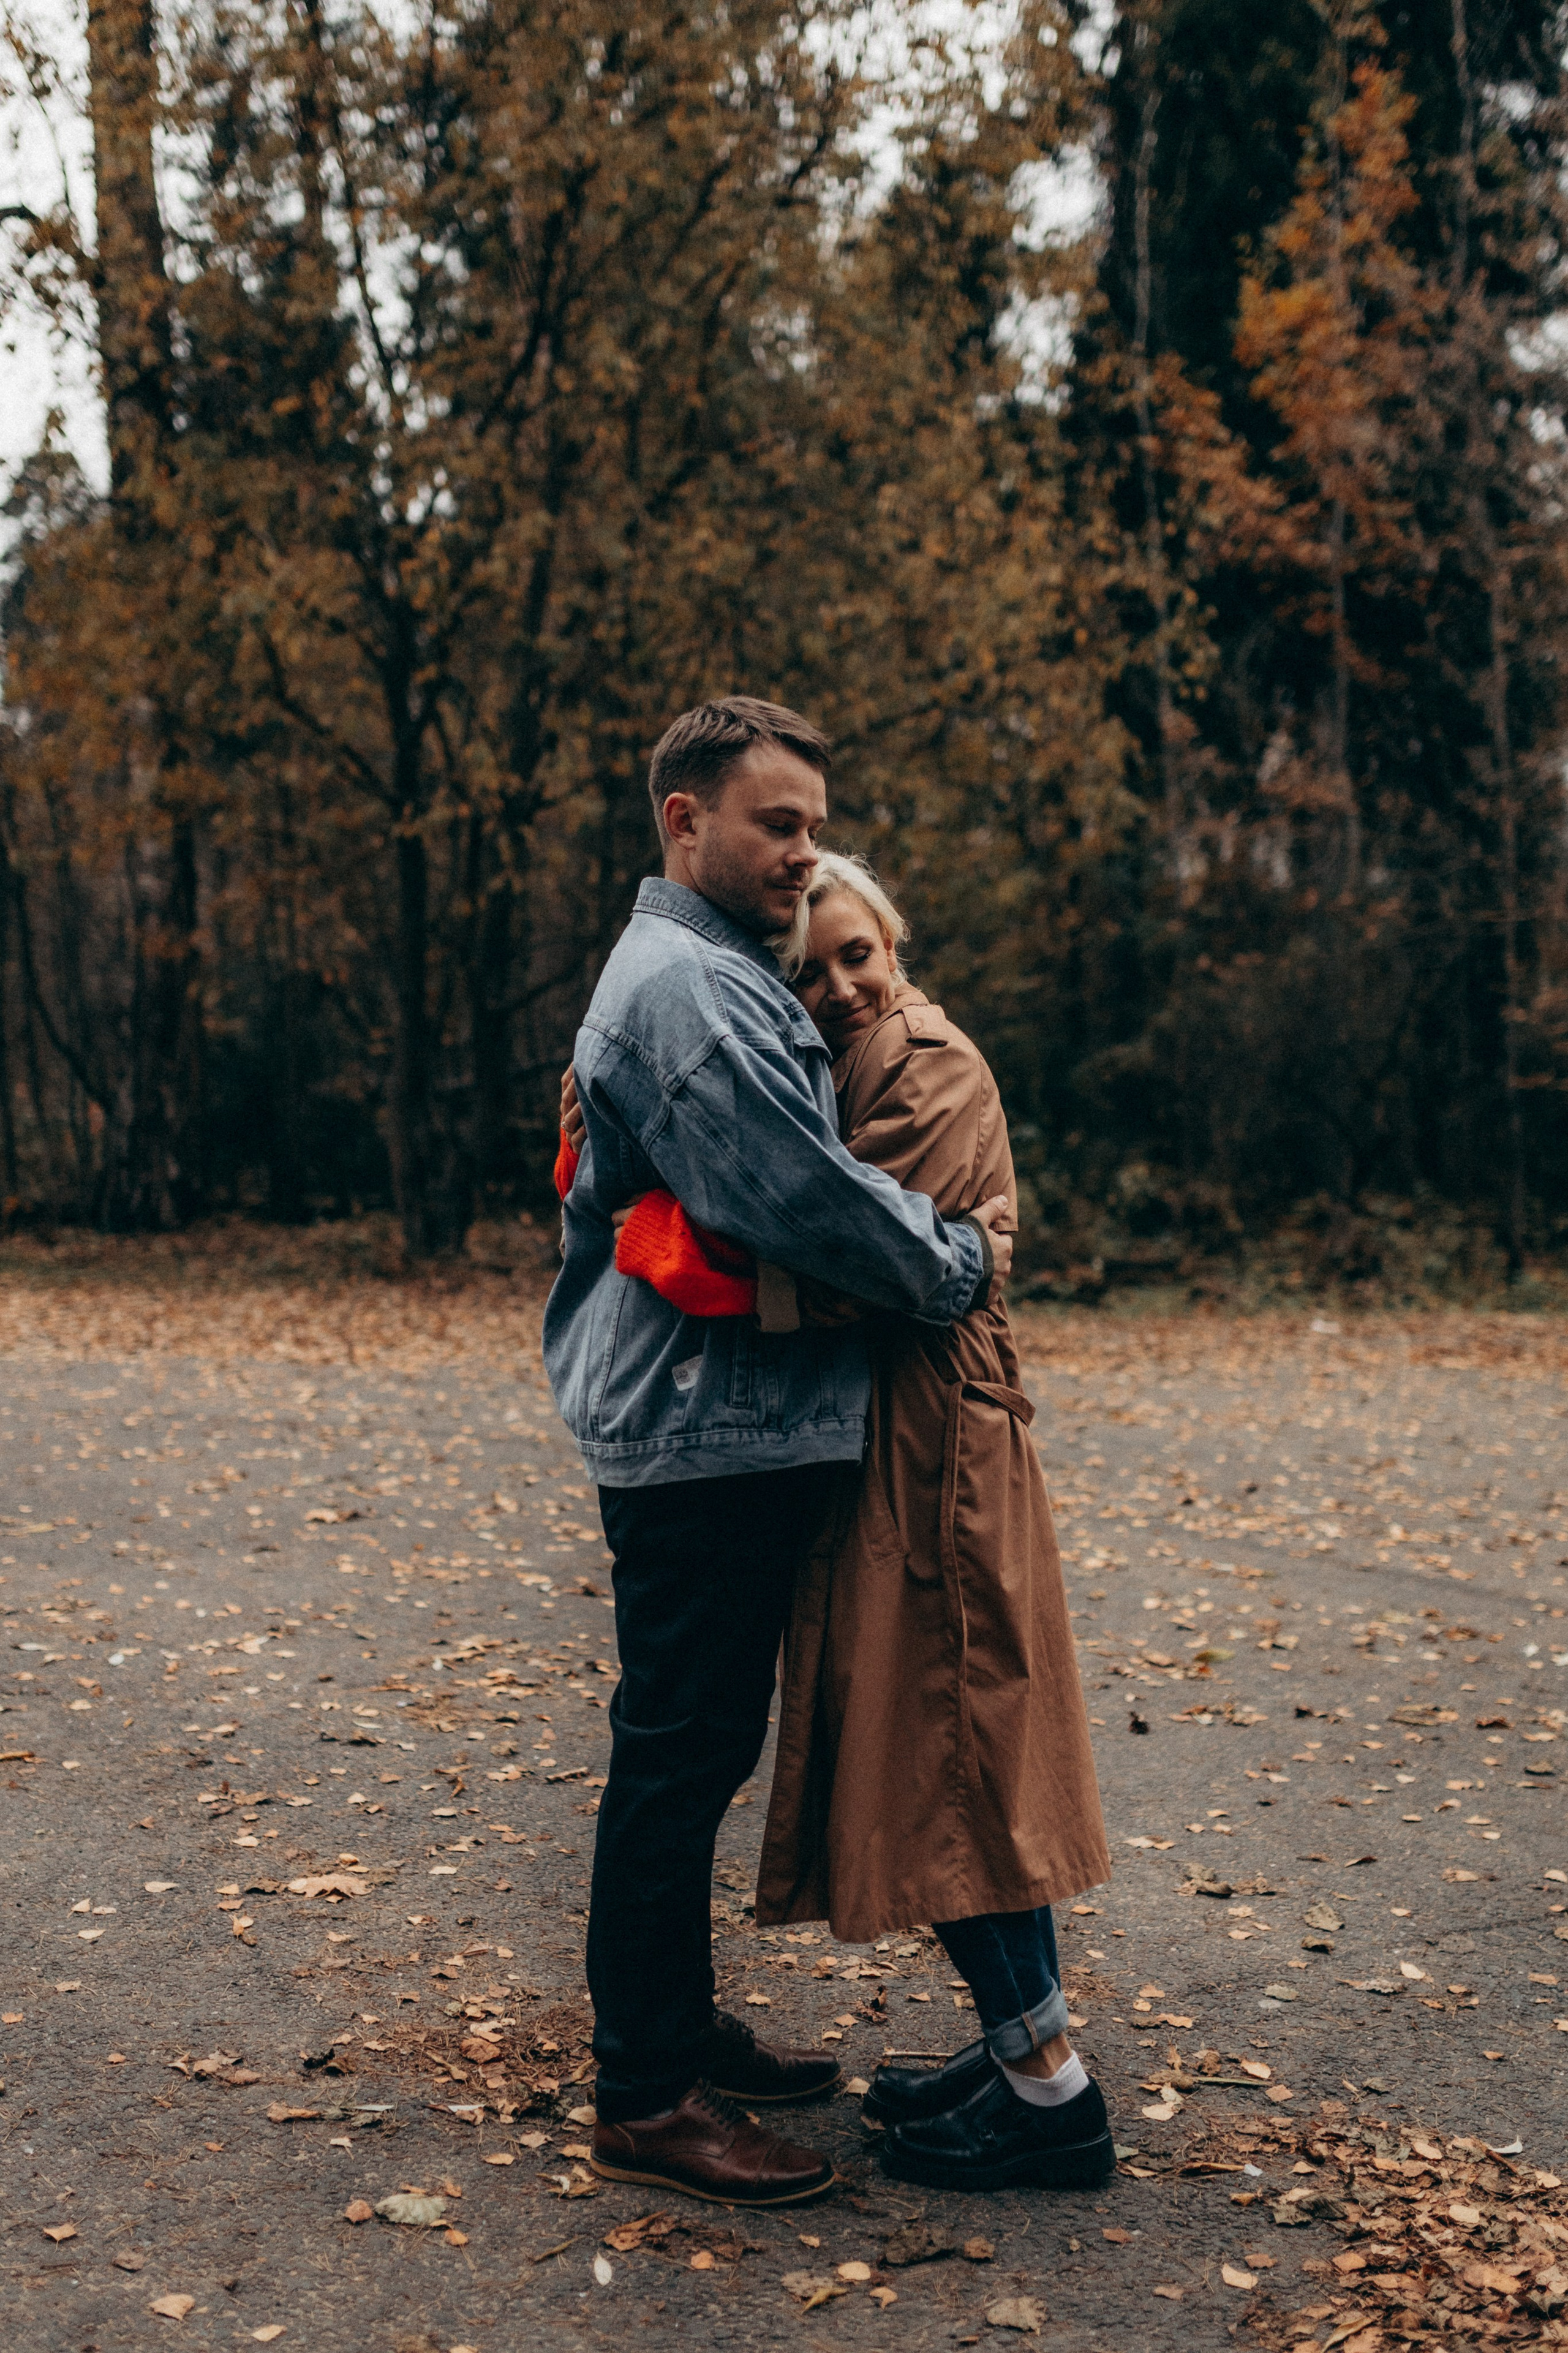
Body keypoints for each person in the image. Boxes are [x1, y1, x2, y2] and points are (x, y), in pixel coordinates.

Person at [541, 698, 1014, 2210]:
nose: (801, 849)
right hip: (699, 1428)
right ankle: (647, 2093)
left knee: (697, 1743)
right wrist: (951, 1261)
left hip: (716, 1419)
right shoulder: (684, 985)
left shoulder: (715, 973)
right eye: (775, 821)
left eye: (812, 822)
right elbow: (798, 1196)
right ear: (685, 819)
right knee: (678, 1752)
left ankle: (676, 2034)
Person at [582, 853, 1114, 2194]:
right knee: (946, 1757)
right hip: (893, 1453)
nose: (834, 988)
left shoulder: (921, 1064)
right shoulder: (836, 1062)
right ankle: (1018, 2055)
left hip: (937, 1454)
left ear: (897, 942)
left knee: (953, 1763)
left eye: (855, 955)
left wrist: (665, 1215)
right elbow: (783, 1177)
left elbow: (830, 1246)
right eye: (806, 972)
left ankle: (1046, 2088)